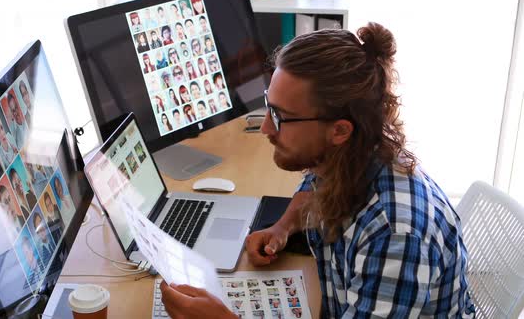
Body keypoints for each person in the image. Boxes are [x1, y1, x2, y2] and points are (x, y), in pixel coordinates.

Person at [160, 23, 476, 318]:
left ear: (339, 130)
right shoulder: (347, 153)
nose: (266, 129)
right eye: (269, 106)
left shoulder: (395, 237)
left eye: (281, 117)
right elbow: (314, 187)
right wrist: (282, 227)